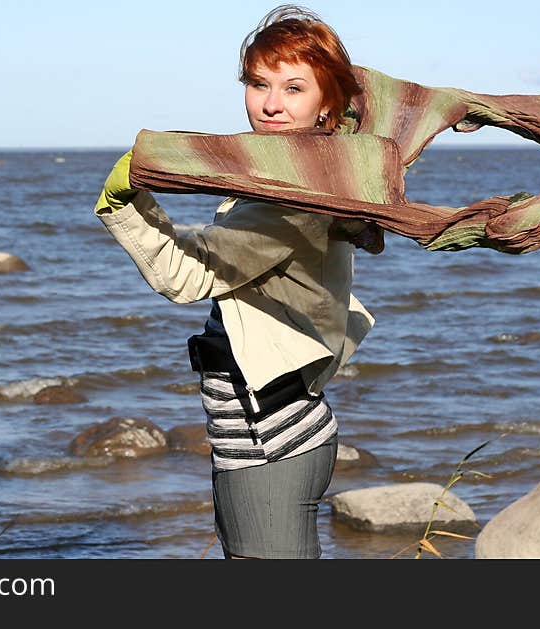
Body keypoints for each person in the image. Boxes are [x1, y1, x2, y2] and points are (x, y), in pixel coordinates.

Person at [92, 4, 381, 559]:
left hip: (271, 446)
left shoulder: (295, 201)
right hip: (259, 443)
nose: (271, 104)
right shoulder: (295, 176)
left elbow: (186, 273)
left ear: (327, 104)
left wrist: (124, 203)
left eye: (294, 87)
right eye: (258, 83)